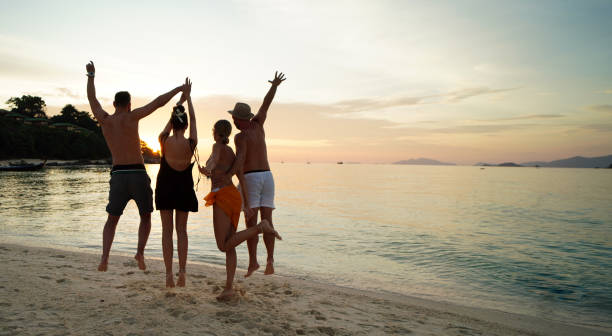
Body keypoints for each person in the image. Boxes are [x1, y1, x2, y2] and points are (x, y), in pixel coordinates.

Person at [86, 61, 187, 272]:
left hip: (119, 174)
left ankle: (104, 258)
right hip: (138, 174)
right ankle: (140, 253)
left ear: (114, 104)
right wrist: (179, 90)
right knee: (146, 216)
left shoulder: (105, 120)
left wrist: (91, 76)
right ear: (129, 104)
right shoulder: (133, 116)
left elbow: (92, 99)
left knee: (112, 220)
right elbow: (158, 102)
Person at [200, 120, 281, 300]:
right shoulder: (230, 152)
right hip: (233, 197)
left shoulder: (217, 147)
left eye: (213, 130)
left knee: (224, 245)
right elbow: (240, 176)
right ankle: (228, 288)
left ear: (216, 132)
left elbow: (214, 166)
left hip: (223, 196)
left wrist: (207, 170)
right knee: (231, 244)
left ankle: (260, 228)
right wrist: (245, 204)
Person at [225, 71, 286, 277]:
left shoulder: (240, 137)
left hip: (251, 178)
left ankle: (253, 262)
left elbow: (240, 162)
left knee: (252, 223)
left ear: (237, 118)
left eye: (233, 116)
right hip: (268, 177)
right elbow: (265, 105)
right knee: (267, 221)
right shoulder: (259, 125)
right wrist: (274, 86)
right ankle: (270, 261)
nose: (232, 119)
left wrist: (227, 175)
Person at [155, 78, 199, 287]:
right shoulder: (191, 143)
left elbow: (169, 127)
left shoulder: (163, 140)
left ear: (173, 123)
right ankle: (182, 272)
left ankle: (168, 275)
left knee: (166, 231)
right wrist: (188, 98)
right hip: (183, 188)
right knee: (182, 231)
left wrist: (174, 113)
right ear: (186, 125)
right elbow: (194, 119)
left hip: (165, 186)